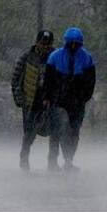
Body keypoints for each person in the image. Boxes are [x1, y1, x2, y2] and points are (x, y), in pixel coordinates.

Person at [43, 27, 96, 172]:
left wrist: (85, 97)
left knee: (74, 131)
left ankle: (68, 160)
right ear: (66, 42)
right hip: (58, 101)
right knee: (61, 128)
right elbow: (48, 80)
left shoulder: (87, 59)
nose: (73, 46)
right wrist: (47, 97)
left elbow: (91, 81)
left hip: (77, 102)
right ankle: (54, 160)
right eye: (71, 43)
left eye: (76, 43)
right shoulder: (55, 57)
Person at [11, 30, 55, 171]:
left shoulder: (55, 57)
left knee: (55, 131)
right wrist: (20, 100)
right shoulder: (26, 57)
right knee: (29, 132)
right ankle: (24, 156)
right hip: (31, 101)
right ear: (37, 42)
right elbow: (15, 79)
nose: (45, 47)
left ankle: (52, 161)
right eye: (43, 43)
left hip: (51, 100)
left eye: (48, 44)